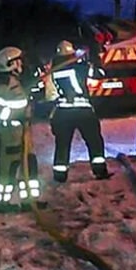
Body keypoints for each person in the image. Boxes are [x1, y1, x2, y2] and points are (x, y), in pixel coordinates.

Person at [0, 46, 41, 208]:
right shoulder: (4, 83)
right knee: (8, 167)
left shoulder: (14, 81)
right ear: (11, 63)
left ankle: (30, 200)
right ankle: (0, 202)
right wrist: (15, 114)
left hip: (21, 130)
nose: (22, 64)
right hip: (10, 132)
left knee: (28, 164)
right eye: (19, 61)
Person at [48, 40, 109, 182]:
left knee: (62, 145)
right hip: (83, 111)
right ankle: (99, 171)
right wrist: (94, 57)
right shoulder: (79, 67)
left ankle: (59, 176)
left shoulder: (55, 69)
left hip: (63, 112)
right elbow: (99, 73)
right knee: (94, 141)